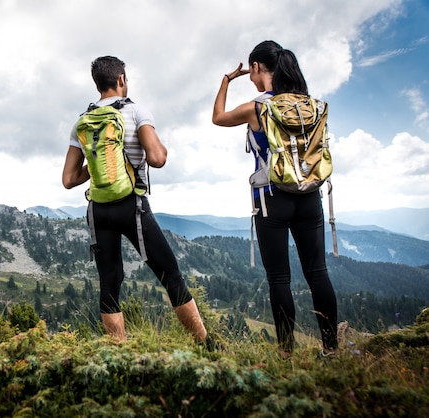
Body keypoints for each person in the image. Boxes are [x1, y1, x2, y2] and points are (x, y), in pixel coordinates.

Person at [62, 56, 208, 345]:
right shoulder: (136, 111)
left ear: (97, 84)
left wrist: (97, 167)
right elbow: (157, 158)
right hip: (133, 206)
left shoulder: (83, 121)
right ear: (120, 80)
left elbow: (68, 179)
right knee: (171, 275)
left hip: (99, 210)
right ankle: (206, 344)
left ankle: (119, 350)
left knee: (109, 284)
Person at [211, 41, 338, 356]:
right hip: (310, 195)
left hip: (271, 199)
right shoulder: (309, 105)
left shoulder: (257, 107)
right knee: (317, 272)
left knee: (279, 277)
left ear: (255, 68)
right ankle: (332, 349)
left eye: (252, 72)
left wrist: (227, 80)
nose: (252, 78)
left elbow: (218, 117)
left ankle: (286, 352)